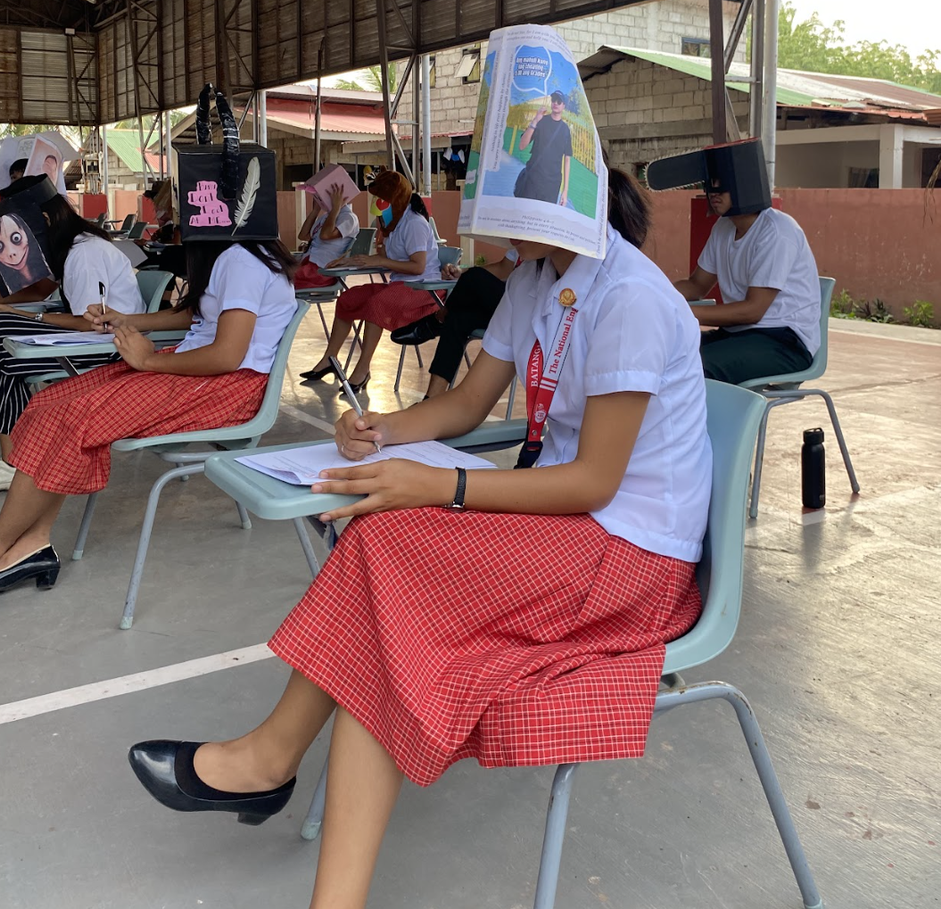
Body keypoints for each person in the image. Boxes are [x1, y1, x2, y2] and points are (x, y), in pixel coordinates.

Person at [125, 170, 712, 909]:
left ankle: (271, 761)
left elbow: (595, 481)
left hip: (631, 556)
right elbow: (467, 403)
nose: (485, 221)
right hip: (576, 527)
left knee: (389, 553)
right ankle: (288, 805)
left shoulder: (632, 298)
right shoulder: (537, 275)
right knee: (387, 573)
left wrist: (444, 487)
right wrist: (379, 430)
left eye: (502, 203)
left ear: (555, 208)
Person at [0, 235, 298, 593]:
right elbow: (199, 313)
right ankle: (33, 543)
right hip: (199, 373)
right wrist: (123, 319)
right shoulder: (233, 253)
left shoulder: (241, 259)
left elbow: (227, 356)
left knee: (71, 415)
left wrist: (146, 360)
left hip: (225, 388)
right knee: (47, 403)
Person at [0, 182, 145, 496]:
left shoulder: (84, 253)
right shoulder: (70, 245)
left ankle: (9, 462)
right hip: (94, 337)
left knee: (1, 333)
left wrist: (29, 317)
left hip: (109, 347)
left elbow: (87, 323)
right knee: (2, 343)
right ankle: (10, 464)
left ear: (44, 218)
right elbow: (41, 290)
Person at [398, 168, 653, 400]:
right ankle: (432, 397)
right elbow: (469, 403)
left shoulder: (626, 296)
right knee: (460, 318)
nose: (513, 220)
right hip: (515, 303)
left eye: (525, 205)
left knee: (473, 280)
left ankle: (436, 320)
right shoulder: (526, 275)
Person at [300, 170, 440, 392]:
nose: (376, 203)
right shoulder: (392, 224)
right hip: (400, 283)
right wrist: (352, 262)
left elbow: (418, 266)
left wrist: (379, 258)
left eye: (380, 198)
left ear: (394, 199)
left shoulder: (414, 223)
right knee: (348, 299)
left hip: (423, 289)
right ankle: (330, 359)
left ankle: (363, 369)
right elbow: (389, 261)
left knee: (378, 304)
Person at [673, 179, 821, 386]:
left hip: (784, 342)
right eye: (710, 186)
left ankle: (722, 419)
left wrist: (678, 311)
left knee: (693, 366)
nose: (713, 193)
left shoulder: (777, 230)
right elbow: (697, 285)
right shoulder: (723, 227)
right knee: (667, 353)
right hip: (738, 335)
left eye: (723, 186)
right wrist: (653, 295)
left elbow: (752, 311)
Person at [293, 182, 360, 288]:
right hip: (309, 264)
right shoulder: (326, 217)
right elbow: (303, 235)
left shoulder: (349, 218)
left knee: (280, 279)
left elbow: (325, 235)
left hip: (322, 270)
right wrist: (315, 211)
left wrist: (335, 208)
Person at [515, 89, 573, 206]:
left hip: (551, 185)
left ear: (564, 106)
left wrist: (565, 191)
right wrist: (535, 120)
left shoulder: (565, 130)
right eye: (553, 100)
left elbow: (567, 161)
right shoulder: (541, 122)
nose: (555, 103)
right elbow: (522, 146)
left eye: (559, 101)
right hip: (533, 179)